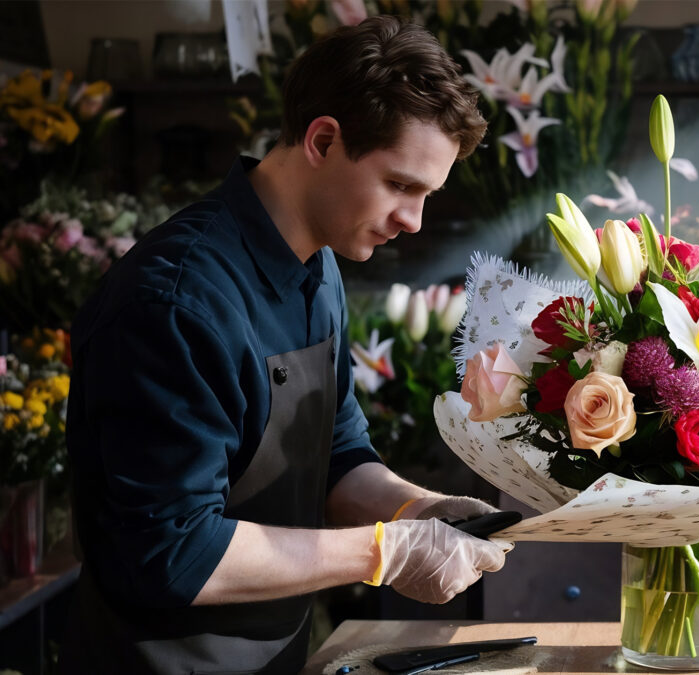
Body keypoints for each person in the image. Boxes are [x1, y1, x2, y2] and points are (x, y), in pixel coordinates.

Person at [60, 17, 506, 674]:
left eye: (426, 195)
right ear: (323, 140)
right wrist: (385, 551)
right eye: (400, 185)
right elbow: (172, 552)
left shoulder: (319, 264)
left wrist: (422, 508)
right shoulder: (173, 303)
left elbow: (338, 457)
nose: (413, 221)